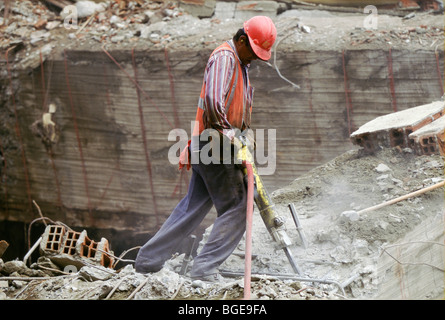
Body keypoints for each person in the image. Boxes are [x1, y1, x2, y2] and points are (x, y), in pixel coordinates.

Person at [135, 16, 277, 281]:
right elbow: (214, 99)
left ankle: (148, 260)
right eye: (254, 52)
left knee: (192, 206)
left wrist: (244, 132)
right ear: (242, 40)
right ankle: (204, 269)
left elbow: (232, 103)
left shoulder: (240, 62)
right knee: (238, 205)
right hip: (215, 144)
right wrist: (229, 134)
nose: (255, 59)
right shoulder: (225, 57)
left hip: (206, 143)